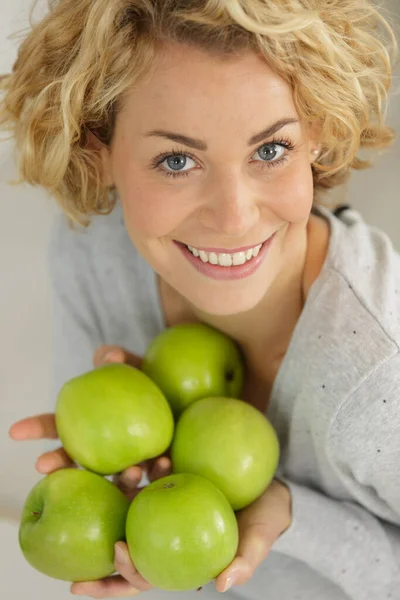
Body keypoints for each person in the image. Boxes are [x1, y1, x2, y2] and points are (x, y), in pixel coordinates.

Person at [2, 0, 400, 598]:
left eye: (270, 150)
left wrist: (292, 514)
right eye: (177, 160)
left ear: (317, 132)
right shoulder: (96, 256)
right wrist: (117, 479)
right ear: (98, 153)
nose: (235, 217)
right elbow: (109, 472)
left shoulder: (379, 379)